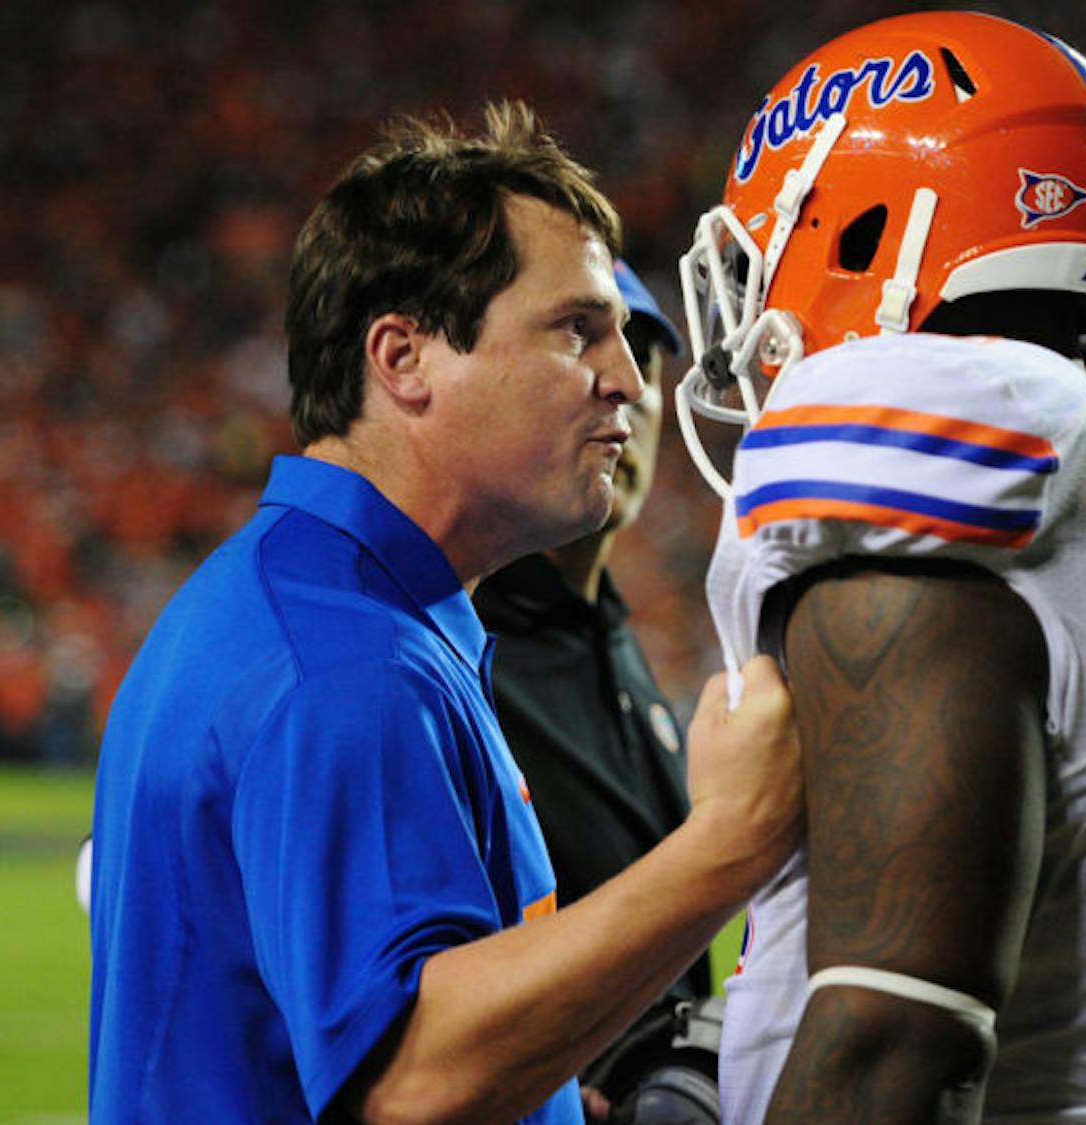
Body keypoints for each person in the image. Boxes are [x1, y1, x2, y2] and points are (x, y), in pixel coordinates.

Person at [674, 12, 1086, 1123]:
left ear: (860, 231)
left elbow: (895, 1037)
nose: (751, 303)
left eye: (765, 249)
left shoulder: (932, 459)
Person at [87, 102, 803, 1125]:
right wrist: (736, 836)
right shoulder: (348, 662)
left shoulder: (307, 599)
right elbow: (415, 1085)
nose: (623, 384)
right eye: (576, 330)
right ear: (404, 358)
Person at [472, 261, 719, 1120]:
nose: (634, 393)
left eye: (649, 361)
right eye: (591, 343)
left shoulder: (612, 636)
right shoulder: (460, 648)